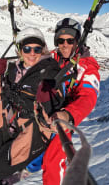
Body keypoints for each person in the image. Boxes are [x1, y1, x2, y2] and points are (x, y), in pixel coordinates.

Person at [0, 27, 63, 185]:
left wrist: (47, 100)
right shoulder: (16, 69)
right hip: (9, 124)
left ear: (43, 49)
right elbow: (2, 96)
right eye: (27, 48)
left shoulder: (50, 71)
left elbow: (54, 108)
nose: (32, 53)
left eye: (37, 49)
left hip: (31, 133)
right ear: (20, 50)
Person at [41, 18, 100, 185]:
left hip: (63, 117)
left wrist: (68, 115)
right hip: (43, 111)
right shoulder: (52, 57)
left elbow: (88, 97)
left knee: (53, 162)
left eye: (70, 40)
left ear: (78, 41)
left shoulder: (87, 67)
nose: (64, 44)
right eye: (60, 40)